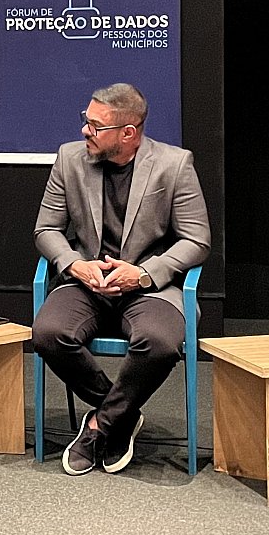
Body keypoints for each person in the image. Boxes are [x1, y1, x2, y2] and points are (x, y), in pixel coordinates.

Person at [31, 82, 211, 477]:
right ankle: (122, 416)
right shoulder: (69, 159)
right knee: (47, 333)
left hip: (150, 287)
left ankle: (100, 425)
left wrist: (144, 274)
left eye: (96, 125)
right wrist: (74, 265)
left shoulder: (174, 164)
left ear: (128, 132)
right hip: (87, 283)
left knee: (160, 342)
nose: (85, 131)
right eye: (86, 120)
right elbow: (46, 229)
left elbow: (197, 240)